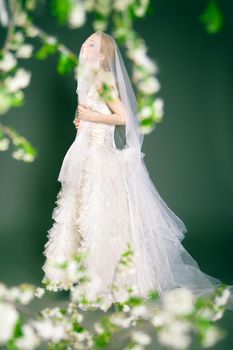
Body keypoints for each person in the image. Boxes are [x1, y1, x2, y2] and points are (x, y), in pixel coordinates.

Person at [42, 31, 233, 310]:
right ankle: (87, 280)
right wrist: (80, 120)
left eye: (92, 44)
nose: (85, 45)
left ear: (104, 55)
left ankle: (107, 283)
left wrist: (92, 116)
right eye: (86, 41)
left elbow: (123, 117)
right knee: (79, 215)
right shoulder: (85, 80)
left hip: (99, 157)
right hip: (82, 155)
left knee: (99, 219)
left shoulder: (103, 79)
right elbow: (87, 114)